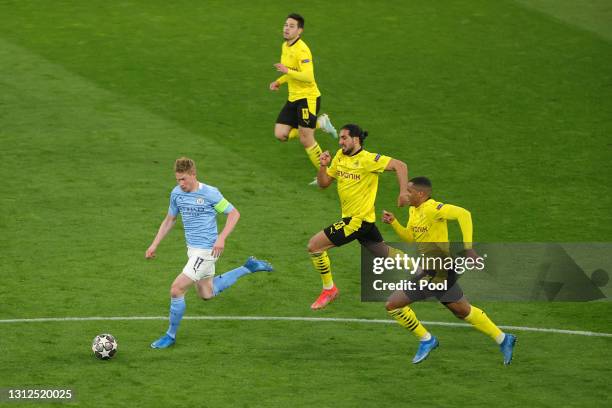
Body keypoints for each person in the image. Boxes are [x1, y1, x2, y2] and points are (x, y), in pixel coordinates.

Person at [382, 177, 516, 365]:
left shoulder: (433, 208)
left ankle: (426, 340)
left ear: (421, 194)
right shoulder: (414, 210)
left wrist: (468, 248)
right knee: (463, 311)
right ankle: (503, 339)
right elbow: (411, 238)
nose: (405, 194)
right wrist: (395, 222)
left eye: (409, 191)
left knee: (392, 304)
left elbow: (464, 214)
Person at [145, 157, 273, 349]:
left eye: (184, 179)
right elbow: (169, 220)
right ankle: (248, 268)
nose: (180, 184)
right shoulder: (177, 194)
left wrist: (222, 237)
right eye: (177, 180)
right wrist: (154, 244)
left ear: (193, 175)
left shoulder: (210, 194)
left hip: (207, 250)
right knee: (207, 293)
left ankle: (170, 336)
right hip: (192, 250)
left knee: (176, 289)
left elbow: (233, 213)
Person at [308, 124, 408, 309]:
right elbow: (323, 184)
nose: (340, 142)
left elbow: (400, 166)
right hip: (365, 221)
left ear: (356, 139)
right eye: (340, 138)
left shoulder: (369, 159)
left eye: (344, 138)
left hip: (355, 221)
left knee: (314, 246)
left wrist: (403, 193)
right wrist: (323, 166)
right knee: (384, 253)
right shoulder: (339, 156)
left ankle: (329, 289)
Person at [269, 13, 338, 179]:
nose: (286, 28)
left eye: (292, 26)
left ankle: (326, 174)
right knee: (280, 134)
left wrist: (287, 71)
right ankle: (320, 123)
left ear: (300, 31)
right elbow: (291, 72)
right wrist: (279, 81)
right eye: (286, 25)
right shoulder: (285, 46)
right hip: (293, 98)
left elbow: (308, 76)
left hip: (308, 98)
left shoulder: (302, 50)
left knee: (306, 138)